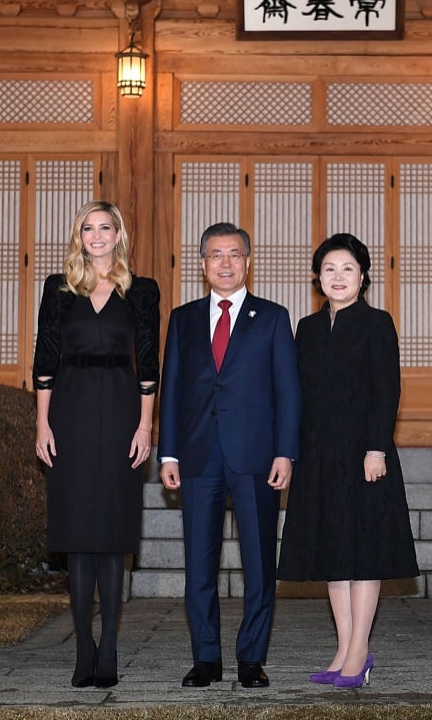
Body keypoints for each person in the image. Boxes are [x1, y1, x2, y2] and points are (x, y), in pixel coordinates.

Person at [157, 222, 302, 689]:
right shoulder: (183, 319)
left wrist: (286, 453)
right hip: (198, 456)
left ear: (247, 261)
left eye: (234, 254)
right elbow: (173, 390)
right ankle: (205, 660)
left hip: (257, 456)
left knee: (260, 562)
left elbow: (288, 392)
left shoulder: (274, 317)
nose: (225, 263)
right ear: (202, 264)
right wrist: (169, 454)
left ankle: (251, 659)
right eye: (216, 255)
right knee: (199, 563)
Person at [276, 232, 418, 690]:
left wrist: (376, 448)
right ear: (317, 277)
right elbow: (297, 396)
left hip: (363, 456)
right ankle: (343, 649)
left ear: (363, 277)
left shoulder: (378, 324)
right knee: (333, 554)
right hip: (319, 455)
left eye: (348, 269)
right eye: (330, 269)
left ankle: (360, 652)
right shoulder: (307, 329)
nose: (338, 277)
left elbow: (387, 391)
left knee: (364, 552)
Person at [32, 199, 160, 689]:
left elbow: (148, 364)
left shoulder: (142, 291)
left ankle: (109, 646)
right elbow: (45, 359)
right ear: (79, 236)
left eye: (106, 228)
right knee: (79, 537)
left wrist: (145, 425)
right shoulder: (58, 289)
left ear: (119, 235)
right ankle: (83, 646)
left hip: (124, 412)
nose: (98, 236)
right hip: (69, 412)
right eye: (89, 228)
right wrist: (42, 425)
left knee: (112, 537)